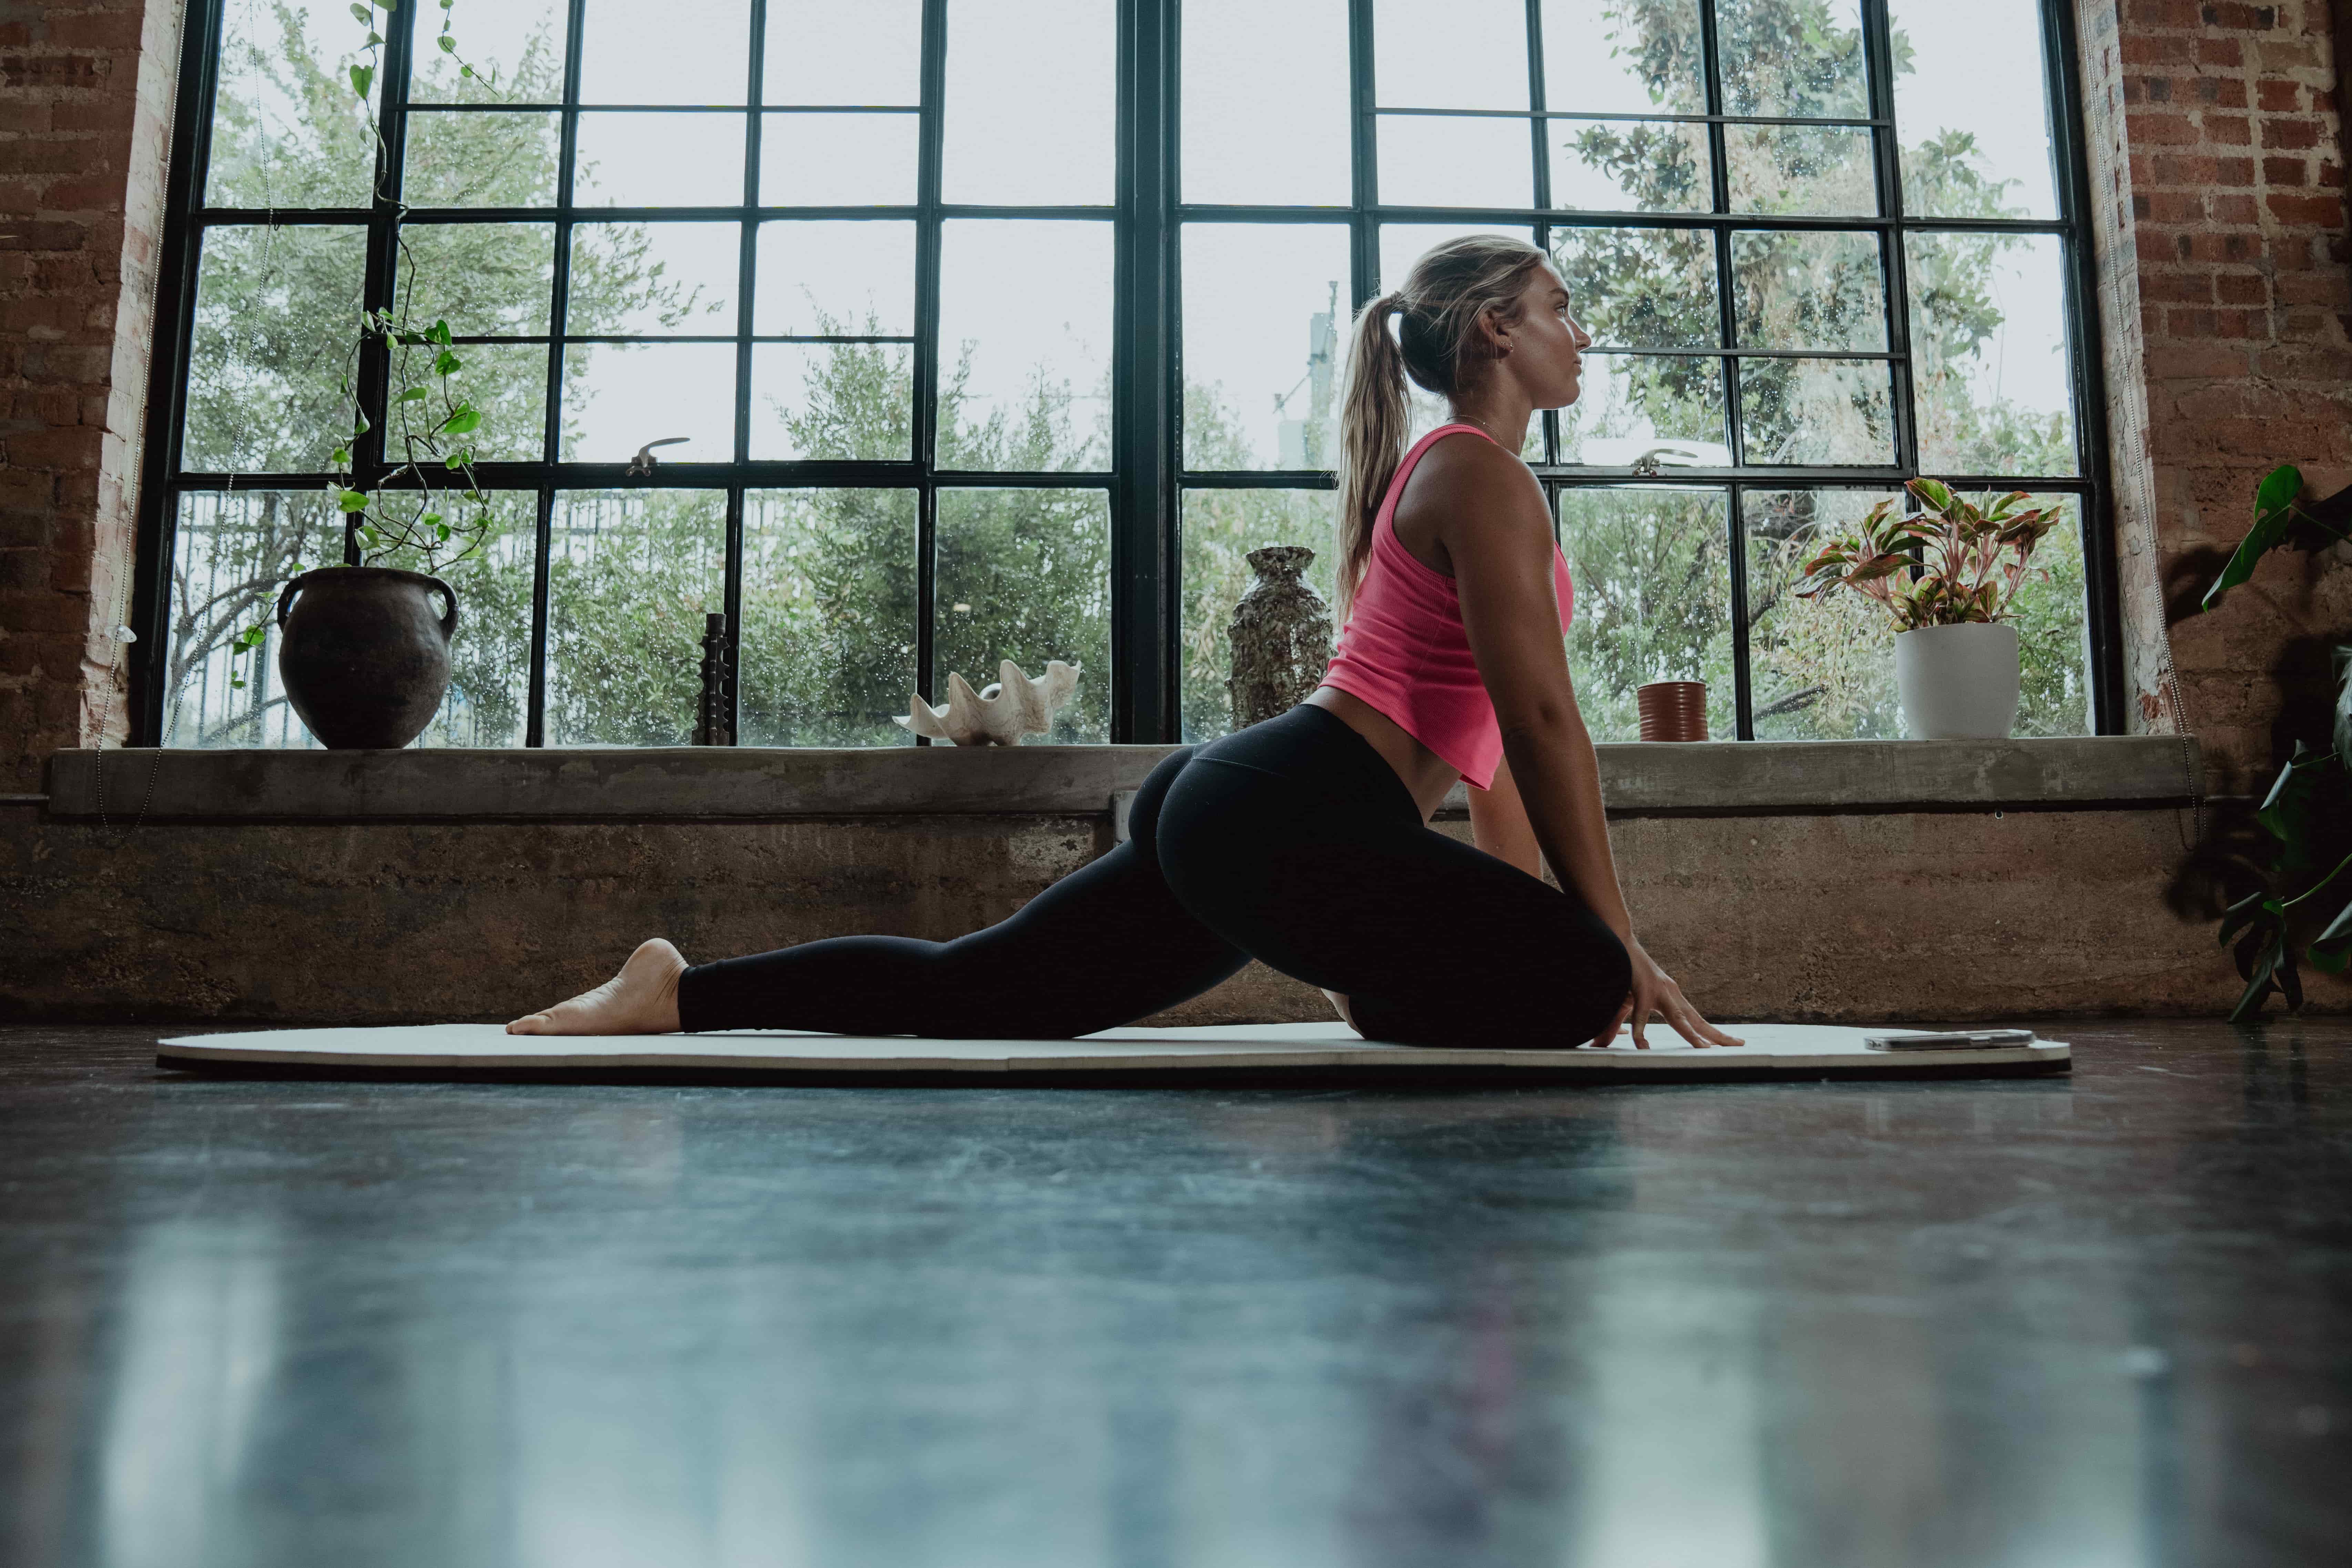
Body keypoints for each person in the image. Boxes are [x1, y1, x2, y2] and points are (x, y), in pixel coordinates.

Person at [509, 234, 1742, 1052]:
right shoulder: (1480, 478)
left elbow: (1482, 761)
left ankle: (675, 989)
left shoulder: (1466, 477)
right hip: (1289, 813)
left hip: (1257, 808)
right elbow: (1540, 728)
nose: (1580, 335)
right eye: (1560, 311)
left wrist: (1523, 928)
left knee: (981, 993)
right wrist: (1608, 944)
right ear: (1490, 331)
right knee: (1580, 978)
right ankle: (1374, 983)